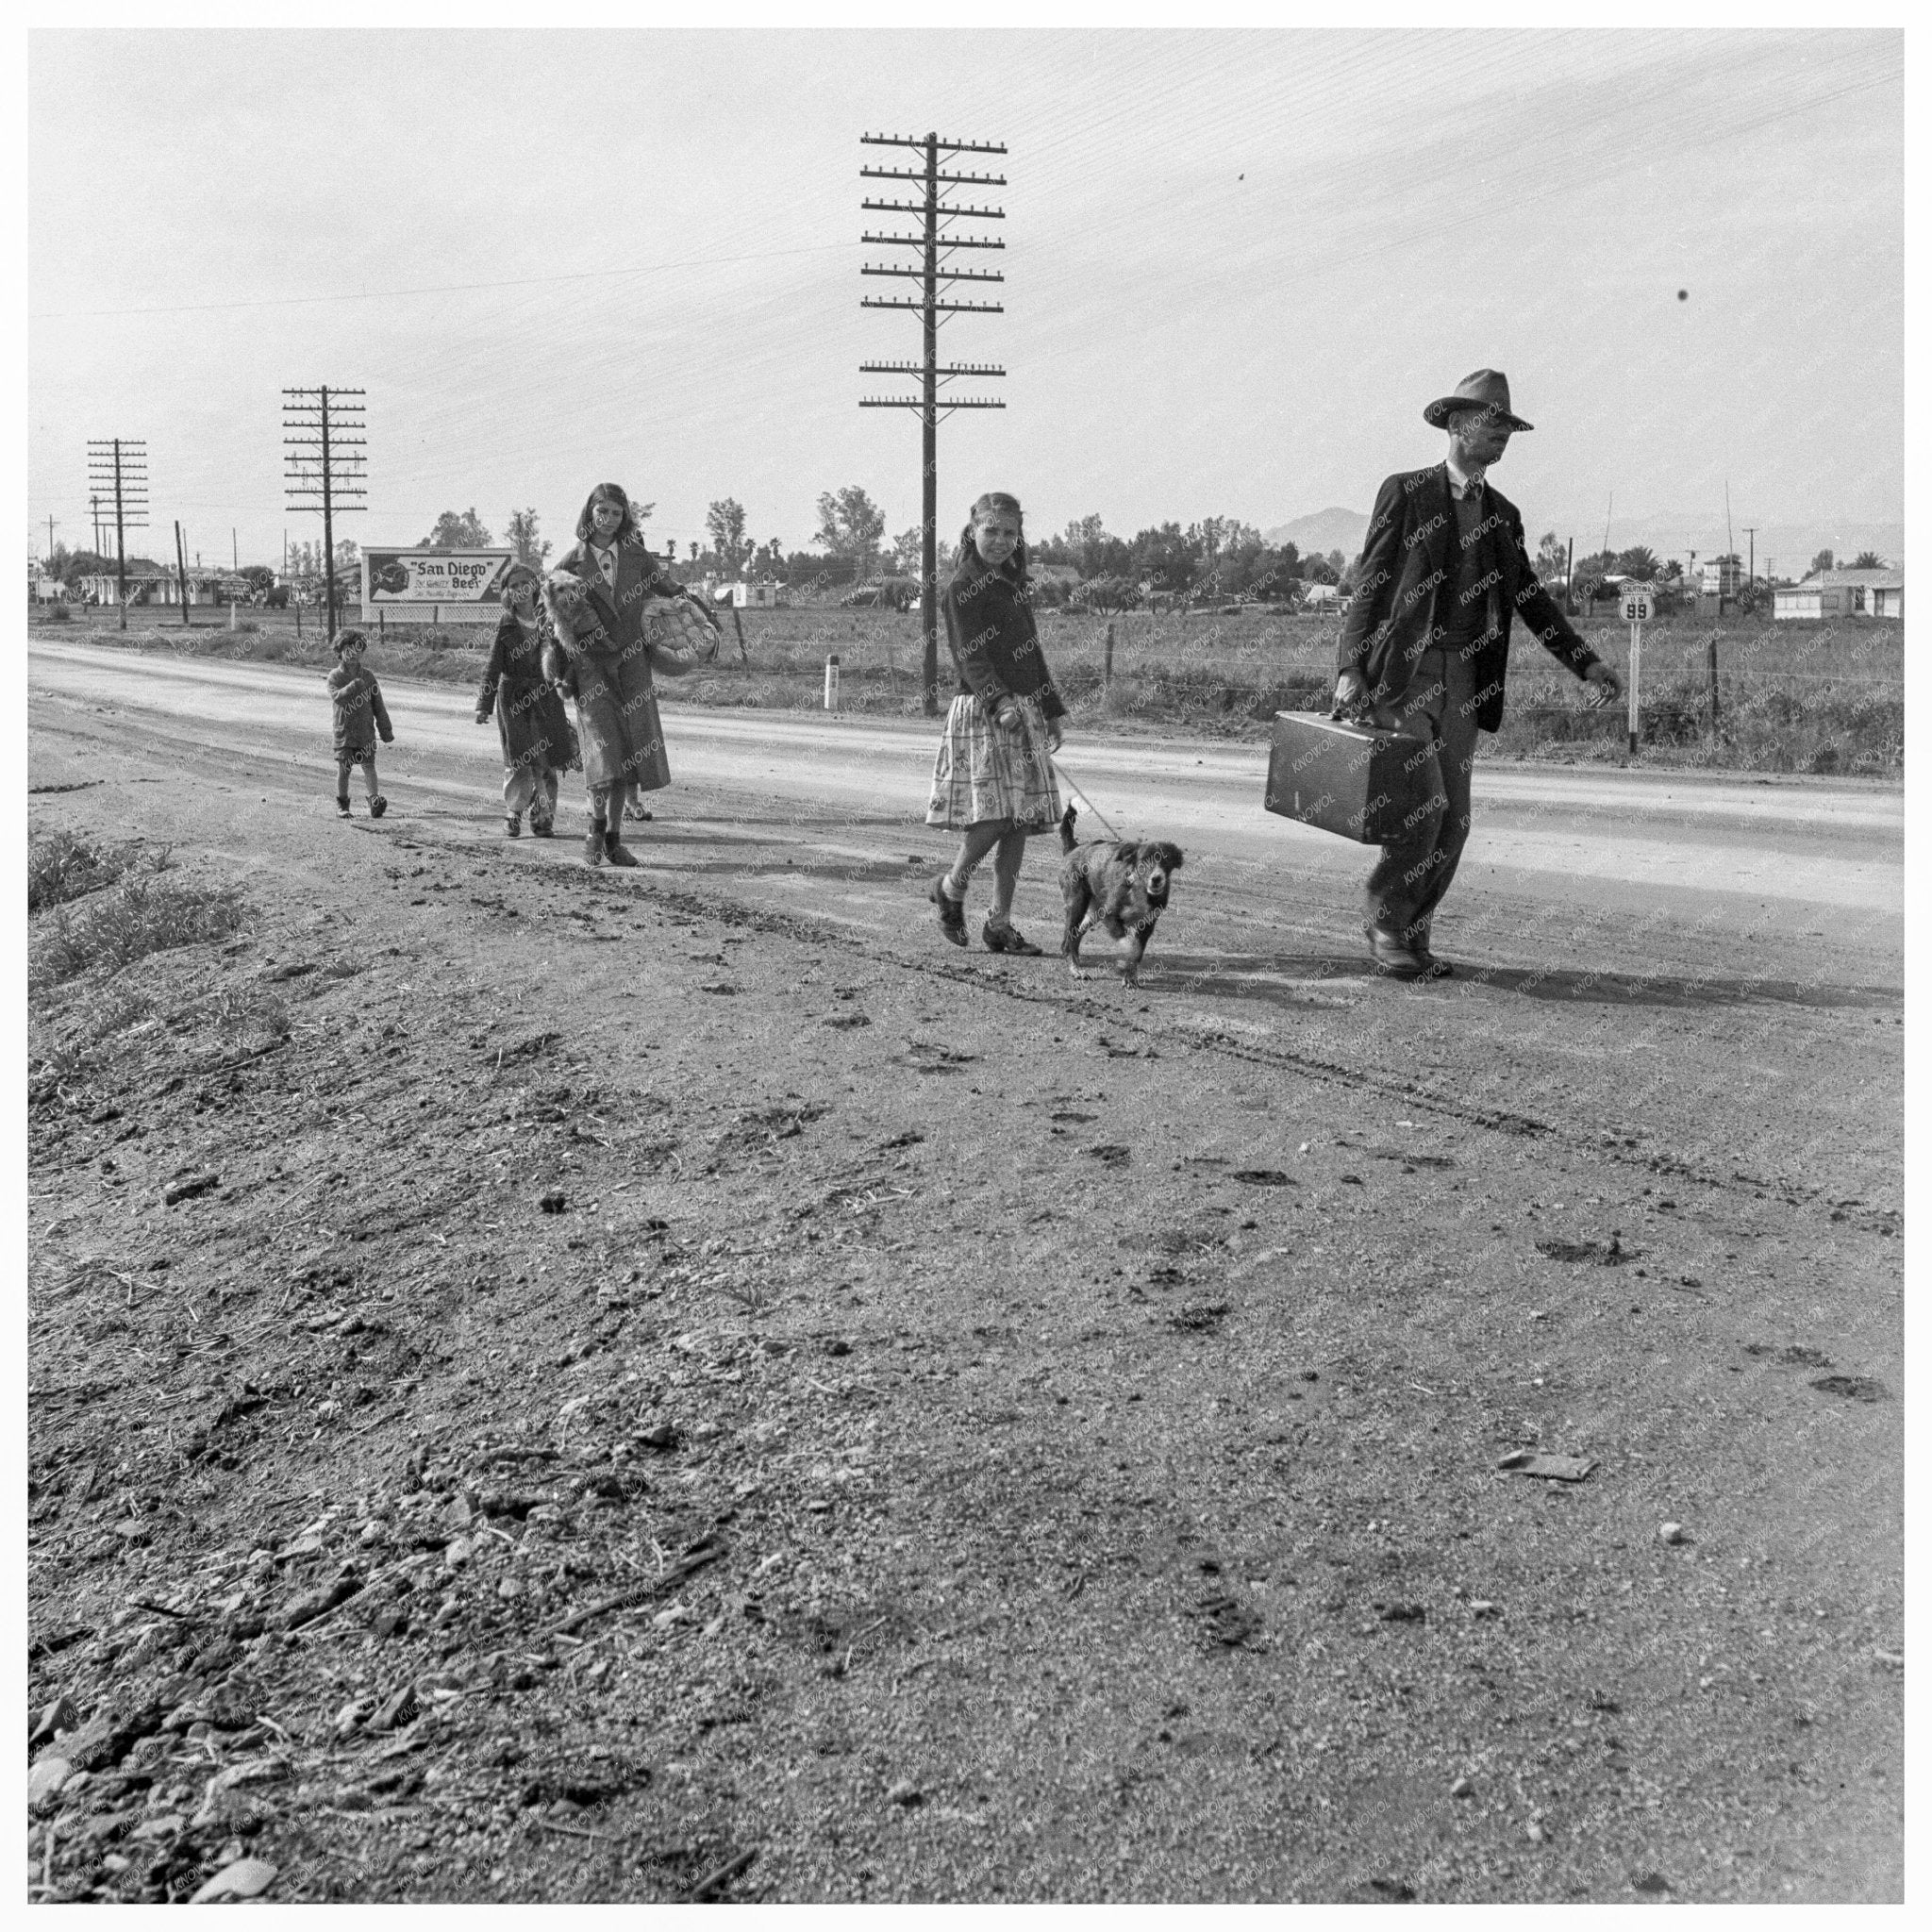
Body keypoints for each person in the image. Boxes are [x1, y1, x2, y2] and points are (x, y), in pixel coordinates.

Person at [1335, 369, 1622, 980]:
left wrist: (1585, 662)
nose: (1504, 437)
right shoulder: (1407, 493)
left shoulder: (1503, 515)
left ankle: (1413, 930)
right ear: (1458, 425)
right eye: (1495, 425)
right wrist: (1350, 668)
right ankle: (1386, 923)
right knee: (1425, 808)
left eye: (1509, 428)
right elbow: (1372, 585)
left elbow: (1531, 599)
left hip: (1467, 681)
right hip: (1405, 677)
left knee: (1456, 821)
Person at [541, 483, 718, 868]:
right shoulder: (569, 565)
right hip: (591, 672)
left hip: (634, 669)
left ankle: (614, 841)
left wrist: (705, 623)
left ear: (625, 517)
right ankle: (594, 834)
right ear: (589, 514)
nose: (607, 520)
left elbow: (672, 591)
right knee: (602, 755)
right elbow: (552, 625)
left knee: (628, 758)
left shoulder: (638, 558)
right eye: (601, 512)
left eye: (616, 513)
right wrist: (558, 672)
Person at [925, 491, 1066, 954]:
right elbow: (971, 656)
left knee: (1020, 821)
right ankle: (950, 888)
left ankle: (999, 924)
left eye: (1010, 532)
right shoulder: (962, 586)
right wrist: (1001, 701)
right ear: (972, 529)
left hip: (1022, 710)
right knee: (996, 815)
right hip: (987, 712)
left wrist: (1049, 709)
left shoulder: (1014, 584)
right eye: (992, 530)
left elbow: (1032, 655)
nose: (1002, 540)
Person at [475, 563, 578, 838]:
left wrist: (568, 683)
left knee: (548, 760)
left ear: (536, 587)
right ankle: (513, 812)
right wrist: (484, 705)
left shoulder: (550, 619)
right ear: (507, 592)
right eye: (514, 586)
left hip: (546, 696)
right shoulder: (507, 624)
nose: (521, 590)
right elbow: (493, 665)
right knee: (520, 760)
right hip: (514, 699)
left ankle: (545, 817)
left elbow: (566, 656)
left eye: (526, 583)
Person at [327, 628, 393, 818]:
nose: (353, 653)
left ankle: (374, 800)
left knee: (369, 766)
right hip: (344, 733)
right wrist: (352, 687)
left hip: (365, 732)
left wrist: (385, 729)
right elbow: (337, 697)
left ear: (362, 651)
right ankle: (343, 805)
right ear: (340, 652)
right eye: (348, 649)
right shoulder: (335, 677)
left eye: (357, 648)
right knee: (344, 769)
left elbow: (378, 705)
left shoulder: (369, 677)